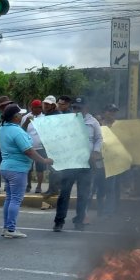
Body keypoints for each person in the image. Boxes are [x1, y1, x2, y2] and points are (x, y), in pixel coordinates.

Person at [0, 104, 52, 238]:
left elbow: (19, 138)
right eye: (20, 114)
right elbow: (28, 151)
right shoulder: (16, 131)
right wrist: (44, 160)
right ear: (16, 117)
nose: (22, 116)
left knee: (10, 198)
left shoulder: (4, 128)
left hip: (6, 167)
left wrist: (26, 124)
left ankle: (7, 227)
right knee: (15, 199)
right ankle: (11, 229)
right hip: (18, 169)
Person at [52, 97, 101, 232]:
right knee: (64, 193)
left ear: (86, 108)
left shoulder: (93, 122)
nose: (76, 110)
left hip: (86, 163)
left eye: (79, 108)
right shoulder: (67, 121)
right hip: (70, 162)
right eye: (74, 107)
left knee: (83, 194)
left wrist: (96, 152)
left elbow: (98, 139)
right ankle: (59, 221)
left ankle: (79, 221)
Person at [93, 104, 122, 217]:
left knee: (111, 187)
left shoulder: (119, 126)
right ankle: (100, 210)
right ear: (104, 112)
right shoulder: (98, 126)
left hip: (113, 161)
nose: (112, 114)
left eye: (114, 112)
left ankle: (109, 211)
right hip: (100, 160)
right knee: (100, 187)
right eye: (110, 111)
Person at [22, 100, 47, 194]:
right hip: (28, 147)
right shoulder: (25, 117)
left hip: (40, 147)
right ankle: (28, 185)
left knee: (40, 168)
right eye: (37, 107)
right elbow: (22, 131)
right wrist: (26, 123)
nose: (39, 109)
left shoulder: (44, 118)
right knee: (28, 168)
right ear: (32, 108)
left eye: (40, 107)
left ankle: (39, 186)